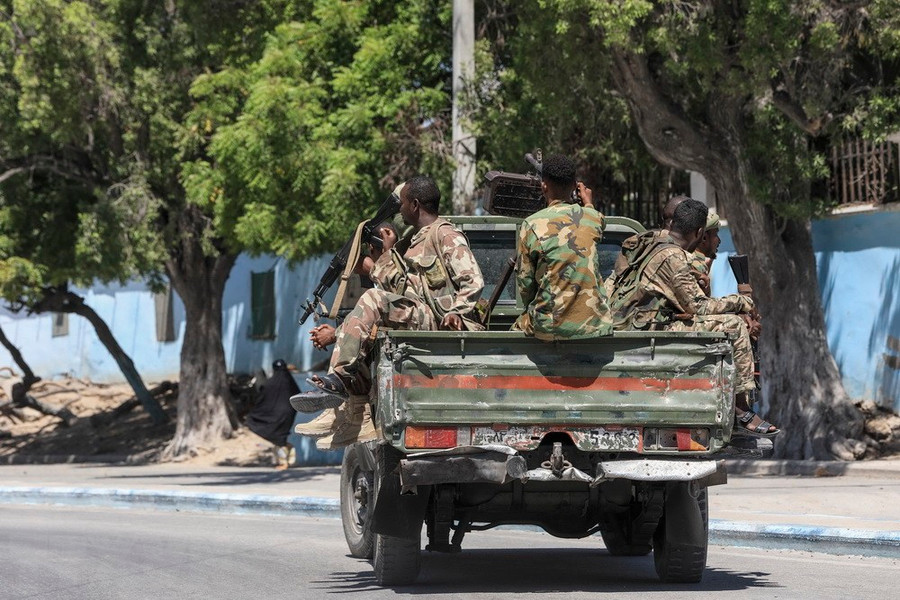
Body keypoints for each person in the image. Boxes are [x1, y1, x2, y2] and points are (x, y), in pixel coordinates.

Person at [291, 175, 484, 412]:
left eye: (402, 203)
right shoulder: (413, 239)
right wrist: (338, 333)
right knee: (366, 336)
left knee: (374, 299)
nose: (399, 210)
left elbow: (473, 280)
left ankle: (339, 379)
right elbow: (401, 293)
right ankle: (349, 401)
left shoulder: (445, 235)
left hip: (441, 321)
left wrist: (457, 311)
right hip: (421, 315)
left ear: (415, 205)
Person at [609, 198, 779, 437]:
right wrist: (741, 301)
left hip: (629, 324)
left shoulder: (650, 242)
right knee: (734, 325)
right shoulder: (673, 256)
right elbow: (699, 307)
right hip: (645, 329)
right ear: (699, 232)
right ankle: (741, 409)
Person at [513, 153, 612, 339]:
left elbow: (525, 285)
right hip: (596, 325)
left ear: (544, 186)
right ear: (575, 186)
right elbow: (598, 220)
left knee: (515, 330)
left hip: (550, 327)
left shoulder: (531, 224)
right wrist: (588, 204)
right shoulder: (592, 217)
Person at [244, 359, 300, 470]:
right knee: (281, 437)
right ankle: (288, 457)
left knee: (278, 438)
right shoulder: (291, 383)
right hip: (289, 413)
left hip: (274, 415)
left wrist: (255, 412)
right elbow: (298, 397)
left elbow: (262, 399)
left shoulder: (270, 383)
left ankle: (284, 462)